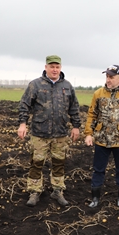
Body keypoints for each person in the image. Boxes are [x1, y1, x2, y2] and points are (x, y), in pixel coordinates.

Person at [18, 55, 81, 207]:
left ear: (60, 68)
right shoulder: (36, 85)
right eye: (52, 66)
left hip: (60, 133)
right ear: (46, 67)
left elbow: (74, 108)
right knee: (37, 163)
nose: (54, 69)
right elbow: (24, 105)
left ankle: (57, 190)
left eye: (57, 67)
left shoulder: (67, 86)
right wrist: (22, 124)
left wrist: (76, 126)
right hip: (40, 133)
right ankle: (34, 191)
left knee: (59, 163)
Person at [84, 65, 119, 207]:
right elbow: (92, 114)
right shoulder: (98, 94)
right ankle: (95, 198)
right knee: (98, 169)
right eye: (107, 76)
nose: (108, 80)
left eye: (111, 77)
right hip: (101, 139)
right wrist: (89, 134)